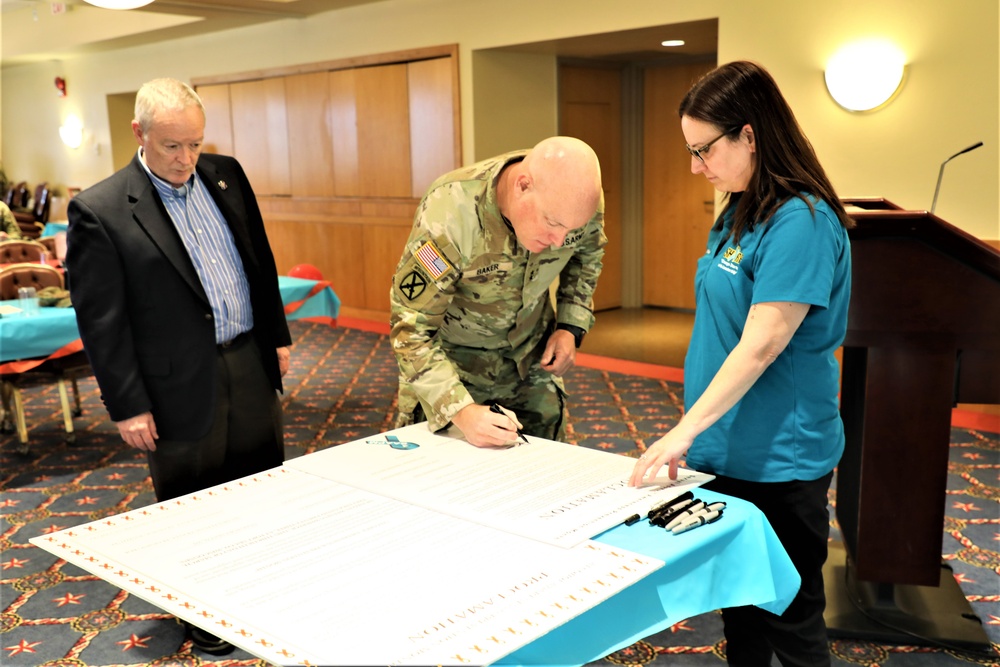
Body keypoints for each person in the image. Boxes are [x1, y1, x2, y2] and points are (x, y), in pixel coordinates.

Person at [629, 61, 853, 667]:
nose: (696, 167)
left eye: (703, 150)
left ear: (749, 136)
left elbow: (762, 342)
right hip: (725, 447)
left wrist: (684, 428)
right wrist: (700, 432)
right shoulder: (738, 210)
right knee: (741, 604)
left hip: (780, 454)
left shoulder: (800, 221)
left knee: (789, 610)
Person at [66, 78, 291, 654]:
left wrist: (276, 336)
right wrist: (128, 404)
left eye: (194, 143)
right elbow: (102, 322)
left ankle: (263, 590)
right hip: (173, 386)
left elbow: (257, 258)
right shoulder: (101, 209)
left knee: (262, 480)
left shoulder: (225, 174)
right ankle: (202, 613)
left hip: (246, 358)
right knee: (193, 505)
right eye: (172, 145)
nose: (186, 159)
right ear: (139, 133)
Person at [390, 136, 605, 447]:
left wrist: (570, 326)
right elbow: (411, 330)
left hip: (530, 361)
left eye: (570, 230)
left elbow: (588, 254)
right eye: (552, 223)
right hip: (451, 369)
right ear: (522, 186)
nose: (559, 241)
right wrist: (460, 411)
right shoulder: (449, 213)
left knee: (542, 477)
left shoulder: (578, 200)